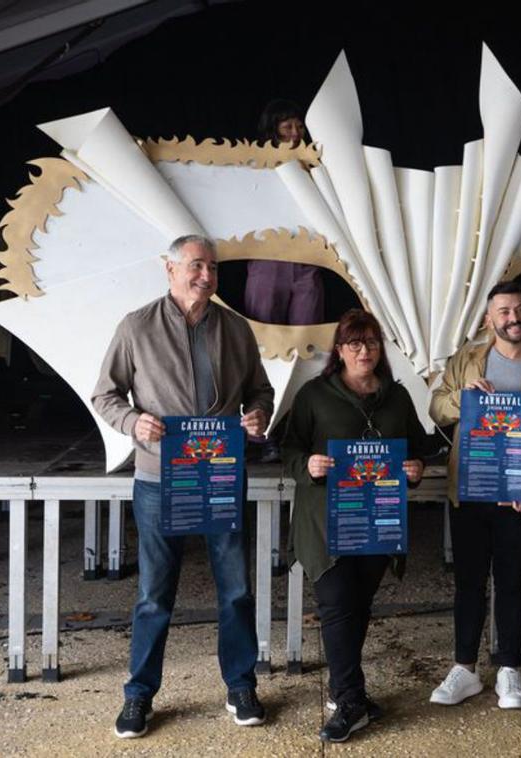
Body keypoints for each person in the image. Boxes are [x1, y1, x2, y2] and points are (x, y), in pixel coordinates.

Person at [92, 234, 275, 738]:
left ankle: (240, 685)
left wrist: (259, 414)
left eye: (212, 269)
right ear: (169, 269)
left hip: (219, 475)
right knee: (154, 593)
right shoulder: (136, 327)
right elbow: (104, 395)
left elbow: (261, 388)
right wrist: (133, 423)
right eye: (196, 266)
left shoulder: (236, 329)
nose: (206, 277)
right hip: (158, 478)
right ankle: (138, 695)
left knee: (235, 589)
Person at [281, 309, 429, 742]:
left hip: (378, 519)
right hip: (326, 521)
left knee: (358, 607)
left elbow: (418, 450)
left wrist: (415, 468)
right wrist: (307, 463)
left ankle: (348, 693)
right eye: (354, 344)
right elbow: (289, 450)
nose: (364, 351)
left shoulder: (397, 398)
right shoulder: (314, 395)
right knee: (336, 604)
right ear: (340, 350)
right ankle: (349, 700)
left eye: (371, 343)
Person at [428, 280, 521, 710]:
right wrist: (461, 399)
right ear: (490, 320)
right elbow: (435, 407)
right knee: (468, 582)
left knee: (511, 582)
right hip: (470, 491)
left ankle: (509, 669)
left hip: (519, 498)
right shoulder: (465, 362)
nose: (514, 318)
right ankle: (465, 670)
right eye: (505, 311)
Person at [243, 99, 324, 326]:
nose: (296, 133)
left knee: (309, 335)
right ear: (273, 130)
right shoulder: (254, 166)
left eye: (299, 126)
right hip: (268, 259)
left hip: (307, 260)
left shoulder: (315, 166)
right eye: (288, 127)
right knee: (265, 337)